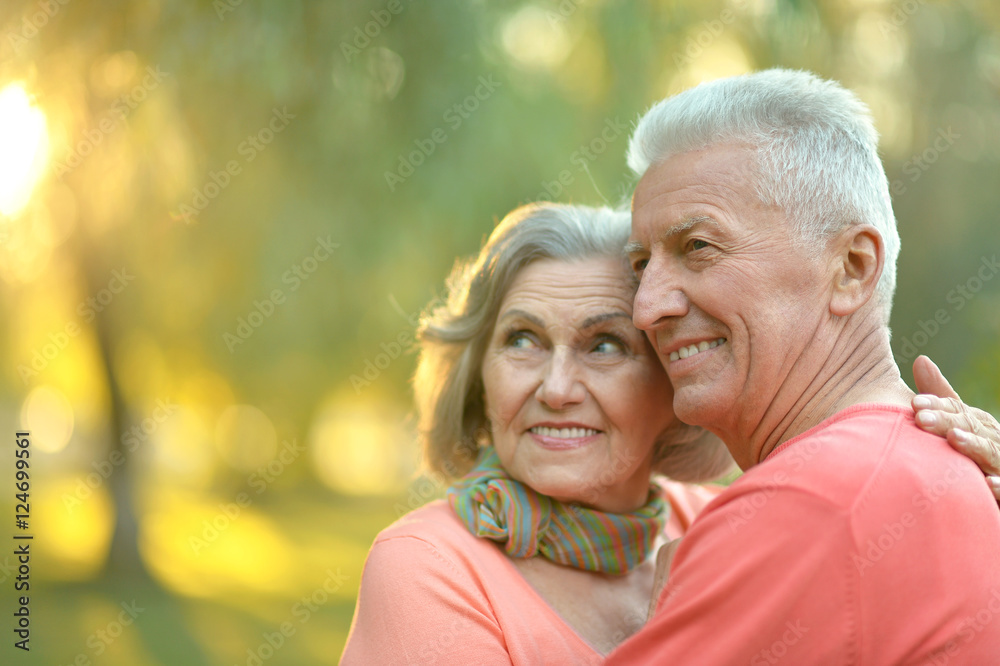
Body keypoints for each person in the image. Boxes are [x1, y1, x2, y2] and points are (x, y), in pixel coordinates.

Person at [341, 202, 1000, 664]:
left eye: (605, 346)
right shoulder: (427, 565)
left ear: (674, 381)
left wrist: (973, 504)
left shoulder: (730, 522)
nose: (557, 387)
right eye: (523, 340)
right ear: (479, 380)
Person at [608, 69, 1000, 664]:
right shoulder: (940, 469)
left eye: (698, 248)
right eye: (641, 266)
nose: (646, 308)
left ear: (852, 266)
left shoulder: (812, 501)